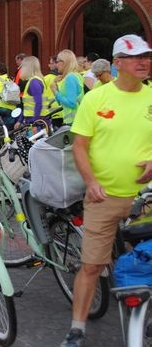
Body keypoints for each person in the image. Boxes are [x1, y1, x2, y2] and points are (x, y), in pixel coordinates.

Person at [60, 34, 152, 347]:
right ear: (117, 63)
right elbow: (80, 146)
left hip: (146, 199)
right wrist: (91, 182)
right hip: (103, 196)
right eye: (135, 57)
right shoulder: (96, 99)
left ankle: (145, 319)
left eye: (146, 56)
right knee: (92, 265)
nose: (143, 62)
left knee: (146, 260)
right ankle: (77, 328)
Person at [50, 49, 84, 125]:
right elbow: (61, 102)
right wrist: (55, 86)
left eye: (57, 61)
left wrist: (55, 92)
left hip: (73, 122)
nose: (56, 65)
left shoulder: (70, 78)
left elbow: (71, 103)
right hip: (75, 120)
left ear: (64, 62)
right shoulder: (75, 75)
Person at [18, 56, 48, 126]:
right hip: (36, 119)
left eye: (22, 67)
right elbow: (27, 106)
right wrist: (20, 121)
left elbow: (38, 104)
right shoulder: (35, 80)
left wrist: (35, 123)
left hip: (36, 121)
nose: (21, 69)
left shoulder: (34, 82)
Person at [44, 56, 64, 128]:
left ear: (56, 64)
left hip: (53, 112)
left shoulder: (46, 78)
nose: (49, 65)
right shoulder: (66, 77)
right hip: (65, 112)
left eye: (51, 63)